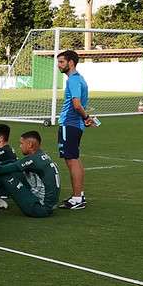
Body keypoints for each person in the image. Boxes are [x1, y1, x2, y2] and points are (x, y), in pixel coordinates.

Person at [0, 131, 60, 217]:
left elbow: (4, 169)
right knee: (10, 168)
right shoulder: (42, 155)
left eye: (21, 143)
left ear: (30, 145)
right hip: (48, 205)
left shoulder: (33, 160)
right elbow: (14, 164)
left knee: (3, 174)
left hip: (40, 209)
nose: (20, 146)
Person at [56, 50, 93, 210]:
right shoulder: (80, 79)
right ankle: (79, 195)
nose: (59, 65)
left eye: (62, 62)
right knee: (75, 159)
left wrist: (85, 117)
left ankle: (77, 198)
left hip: (69, 124)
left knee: (71, 161)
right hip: (75, 125)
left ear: (71, 62)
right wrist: (85, 117)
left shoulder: (73, 80)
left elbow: (77, 104)